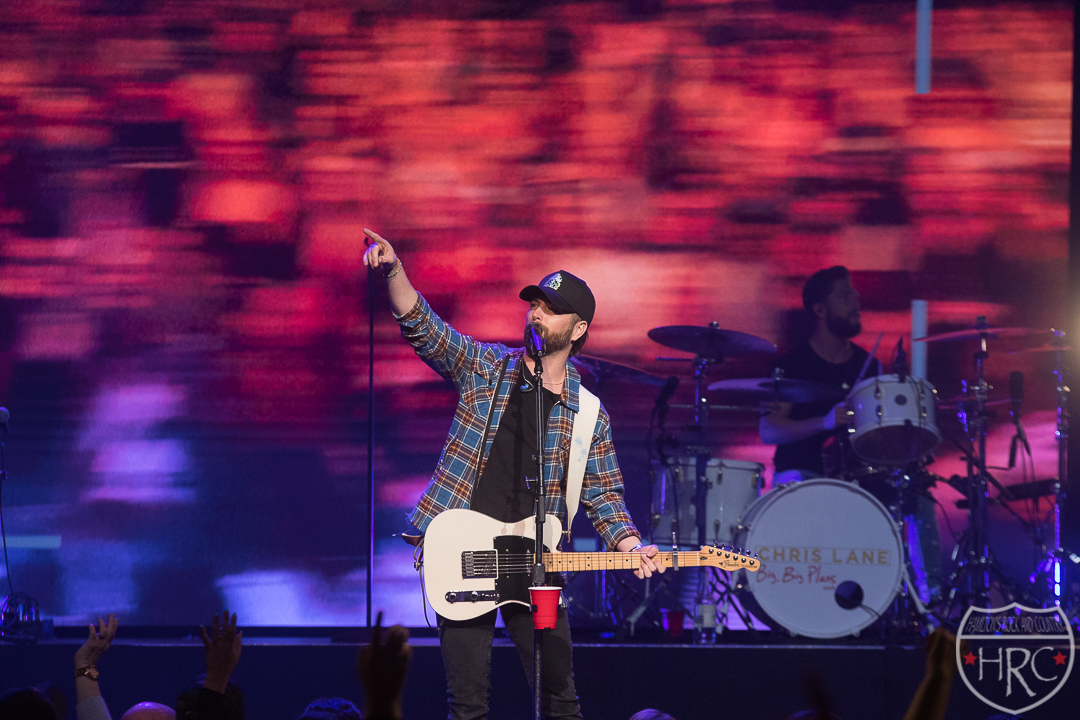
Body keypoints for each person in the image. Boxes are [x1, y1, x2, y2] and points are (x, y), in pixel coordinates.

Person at [363, 228, 664, 720]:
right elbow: (423, 327)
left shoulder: (589, 414)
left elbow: (604, 496)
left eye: (551, 309)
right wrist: (395, 270)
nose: (537, 314)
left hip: (538, 568)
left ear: (578, 329)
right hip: (465, 557)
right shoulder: (486, 368)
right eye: (534, 305)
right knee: (468, 706)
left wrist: (631, 547)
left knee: (560, 702)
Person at [759, 266, 942, 604]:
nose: (855, 302)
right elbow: (770, 429)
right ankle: (799, 599)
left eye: (855, 295)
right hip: (804, 472)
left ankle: (930, 602)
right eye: (845, 296)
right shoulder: (792, 365)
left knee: (918, 497)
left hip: (856, 475)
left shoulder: (868, 365)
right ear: (820, 309)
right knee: (800, 486)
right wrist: (823, 422)